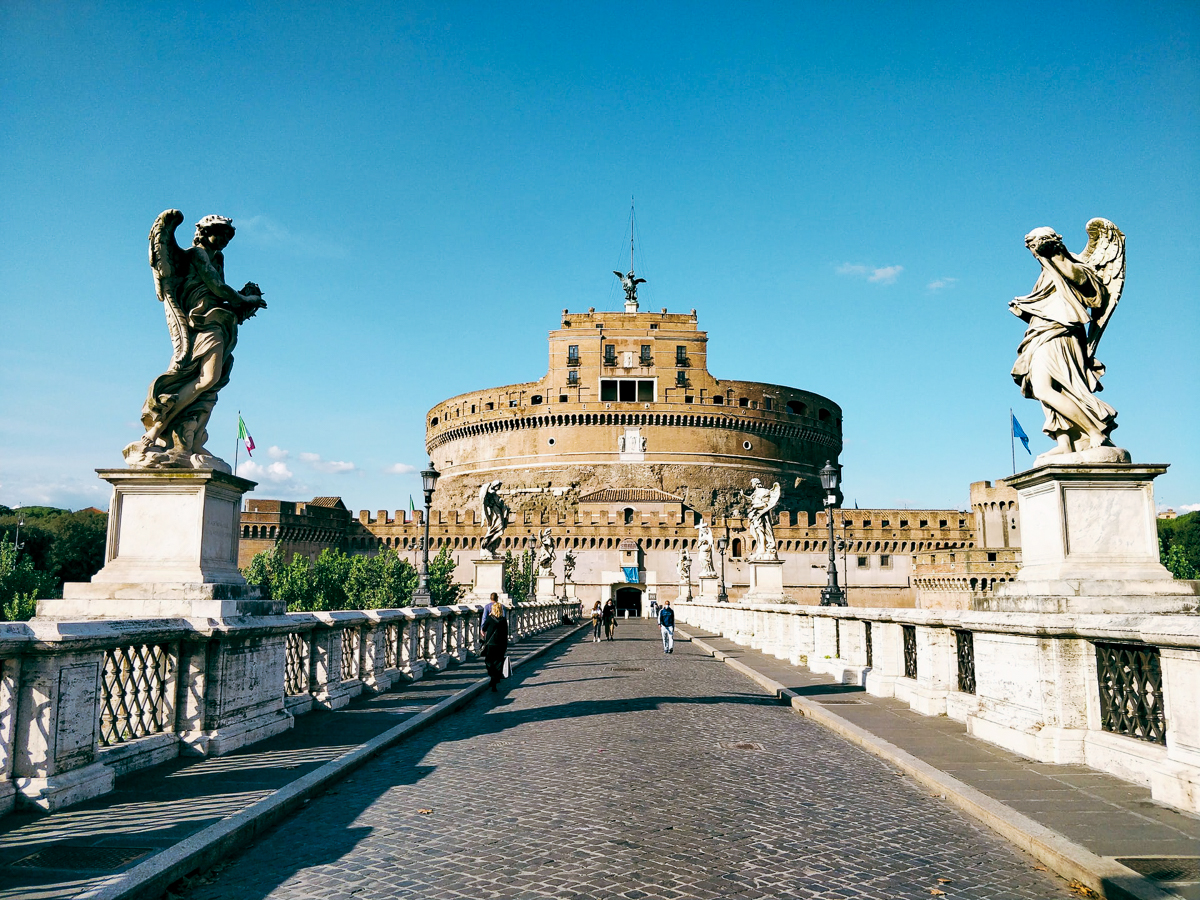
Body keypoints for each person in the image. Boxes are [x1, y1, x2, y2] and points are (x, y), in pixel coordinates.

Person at [480, 599, 509, 691]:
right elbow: (506, 633)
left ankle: (492, 676)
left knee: (489, 661)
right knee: (499, 662)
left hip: (491, 644)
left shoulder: (490, 619)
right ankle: (495, 679)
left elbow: (483, 628)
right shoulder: (503, 620)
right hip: (501, 644)